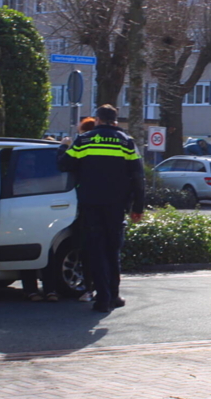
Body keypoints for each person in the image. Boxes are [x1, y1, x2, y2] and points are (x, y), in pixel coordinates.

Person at [57, 104, 145, 314]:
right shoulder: (126, 142)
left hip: (91, 204)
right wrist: (138, 207)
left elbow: (64, 165)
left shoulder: (84, 140)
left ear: (97, 120)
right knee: (113, 250)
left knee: (96, 251)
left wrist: (62, 147)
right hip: (116, 205)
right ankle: (114, 295)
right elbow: (138, 176)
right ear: (115, 121)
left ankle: (103, 299)